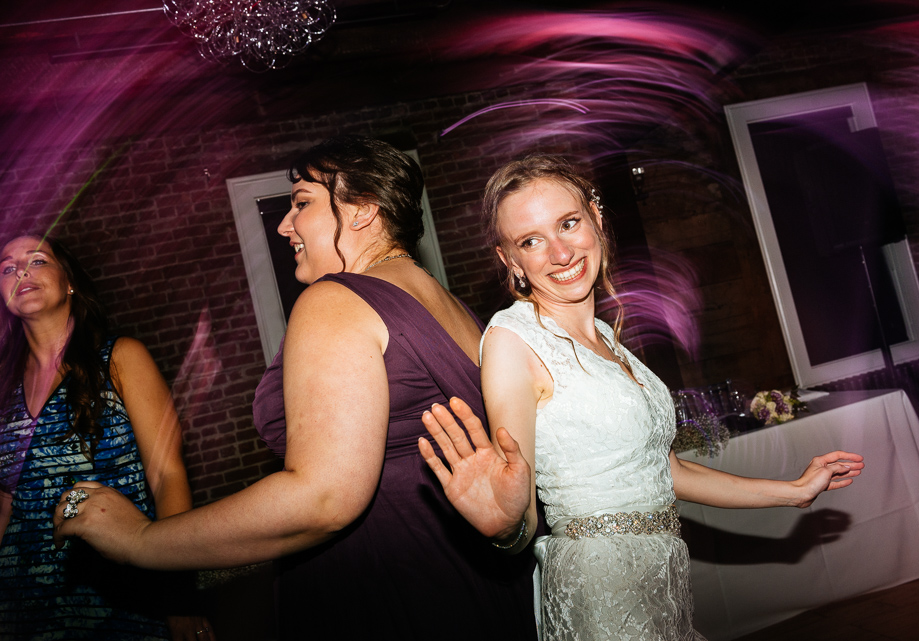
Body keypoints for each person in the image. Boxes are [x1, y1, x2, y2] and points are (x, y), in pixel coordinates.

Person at [52, 136, 538, 640]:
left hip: (388, 590)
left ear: (364, 210)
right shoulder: (456, 307)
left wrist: (141, 540)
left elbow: (324, 497)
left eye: (302, 202)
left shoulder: (337, 299)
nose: (285, 224)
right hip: (469, 584)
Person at [418, 155, 865, 640]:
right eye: (531, 241)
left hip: (662, 579)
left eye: (568, 223)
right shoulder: (512, 340)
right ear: (511, 260)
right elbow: (517, 510)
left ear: (596, 217)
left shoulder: (607, 338)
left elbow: (666, 472)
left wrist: (793, 492)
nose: (560, 253)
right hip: (600, 590)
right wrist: (506, 530)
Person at [0, 235, 212, 640]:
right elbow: (4, 503)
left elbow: (167, 476)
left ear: (70, 283)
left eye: (37, 260)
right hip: (21, 608)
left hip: (121, 594)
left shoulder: (120, 357)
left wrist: (178, 596)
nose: (20, 271)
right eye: (7, 267)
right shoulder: (3, 385)